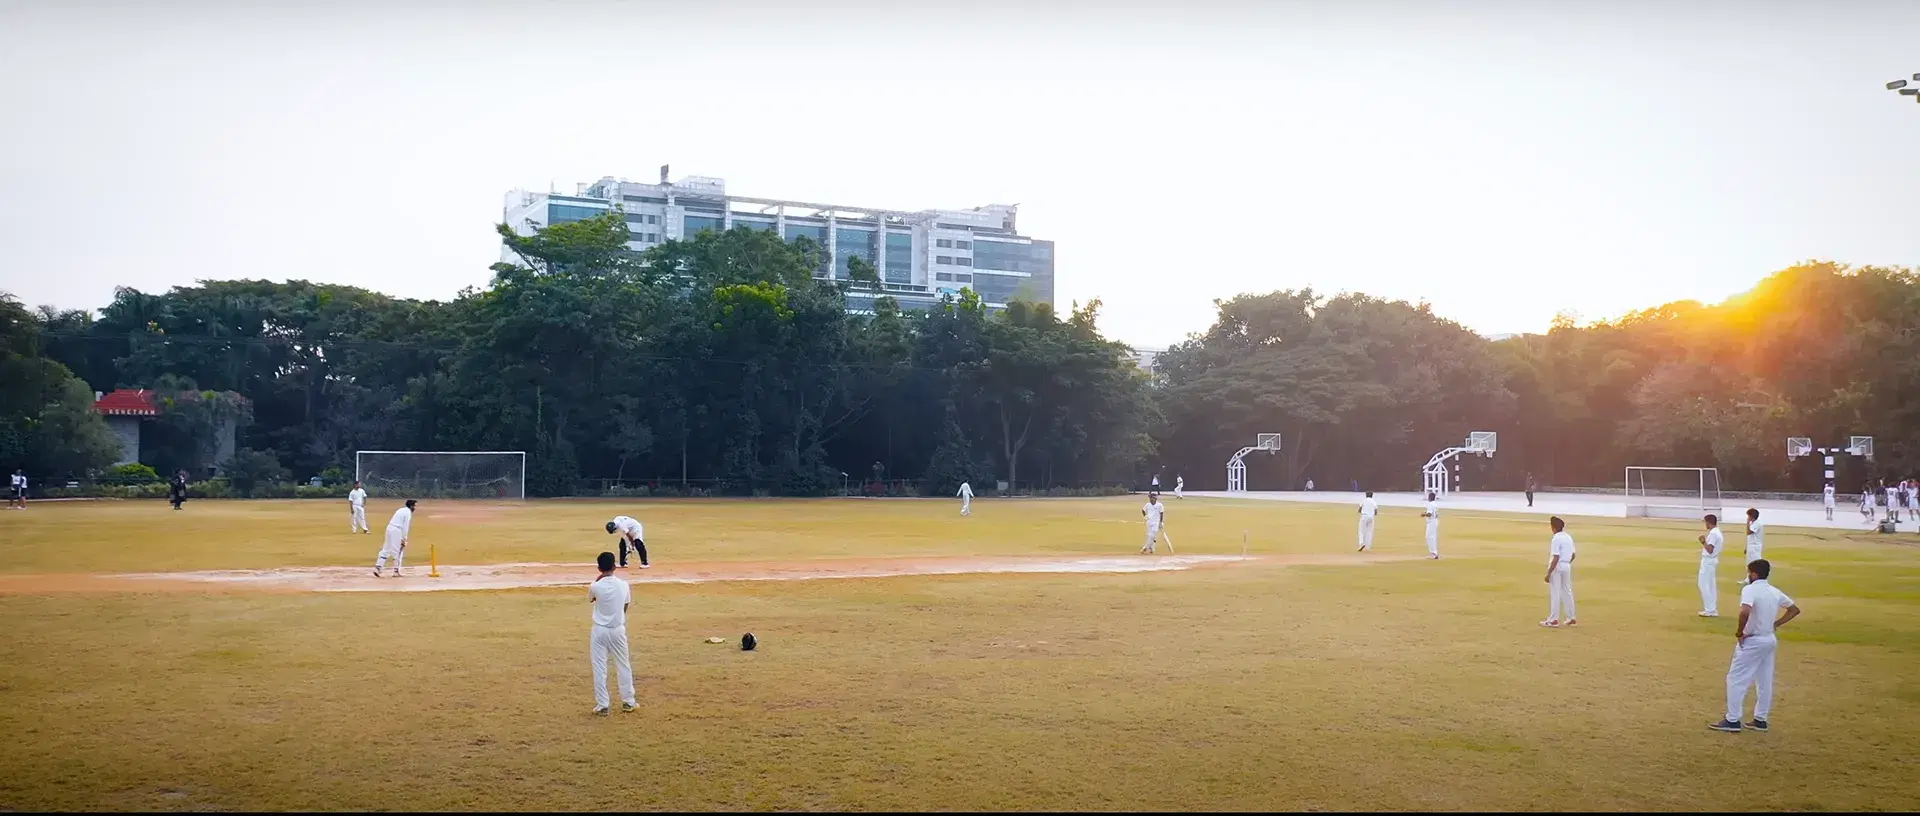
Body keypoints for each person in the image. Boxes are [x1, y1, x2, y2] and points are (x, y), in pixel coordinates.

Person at [1709, 558, 1801, 733]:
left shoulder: (1750, 590)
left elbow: (1745, 610)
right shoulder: (1774, 591)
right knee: (1765, 680)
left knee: (1736, 679)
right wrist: (1776, 624)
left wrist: (1739, 632)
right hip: (1769, 639)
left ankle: (1733, 719)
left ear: (1753, 574)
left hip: (1753, 640)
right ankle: (1761, 719)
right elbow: (1794, 609)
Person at [587, 551, 638, 716]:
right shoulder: (623, 584)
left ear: (598, 568)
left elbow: (591, 599)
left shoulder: (595, 586)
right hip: (617, 629)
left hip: (599, 630)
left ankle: (602, 705)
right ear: (614, 566)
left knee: (599, 667)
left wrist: (599, 579)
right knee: (623, 664)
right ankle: (628, 701)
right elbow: (625, 605)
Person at [1542, 516, 1577, 627]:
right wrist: (1566, 563)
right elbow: (1573, 555)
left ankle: (1553, 619)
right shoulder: (1568, 537)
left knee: (1555, 592)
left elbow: (1556, 557)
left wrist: (1549, 573)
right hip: (1567, 565)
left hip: (1557, 566)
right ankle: (1571, 617)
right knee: (1567, 591)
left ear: (1553, 528)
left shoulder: (1556, 538)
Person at [373, 499, 415, 577]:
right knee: (397, 550)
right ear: (411, 506)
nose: (414, 508)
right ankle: (396, 571)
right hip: (397, 530)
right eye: (414, 506)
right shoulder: (408, 513)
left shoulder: (401, 510)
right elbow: (405, 526)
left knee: (386, 548)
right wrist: (404, 538)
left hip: (389, 528)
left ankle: (378, 568)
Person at [1698, 514, 1723, 617]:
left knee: (1703, 584)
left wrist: (1703, 542)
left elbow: (1710, 550)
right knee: (1711, 585)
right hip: (1712, 561)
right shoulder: (1717, 532)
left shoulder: (1713, 534)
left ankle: (1709, 609)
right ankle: (1712, 608)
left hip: (1708, 561)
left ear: (1708, 522)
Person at [1738, 509, 1765, 585]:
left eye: (1748, 516)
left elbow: (1748, 532)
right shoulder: (1753, 523)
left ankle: (1758, 579)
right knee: (1749, 564)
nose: (1747, 517)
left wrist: (1747, 523)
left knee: (1756, 564)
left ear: (1751, 516)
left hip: (1755, 547)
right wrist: (1747, 547)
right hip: (1751, 546)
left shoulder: (1757, 524)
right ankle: (1748, 579)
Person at [1422, 490, 1440, 560]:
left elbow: (1429, 514)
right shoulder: (1435, 504)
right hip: (1435, 521)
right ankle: (1434, 553)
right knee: (1432, 537)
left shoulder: (1430, 504)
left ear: (1429, 497)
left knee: (1429, 537)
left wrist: (1424, 514)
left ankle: (1434, 553)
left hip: (1431, 521)